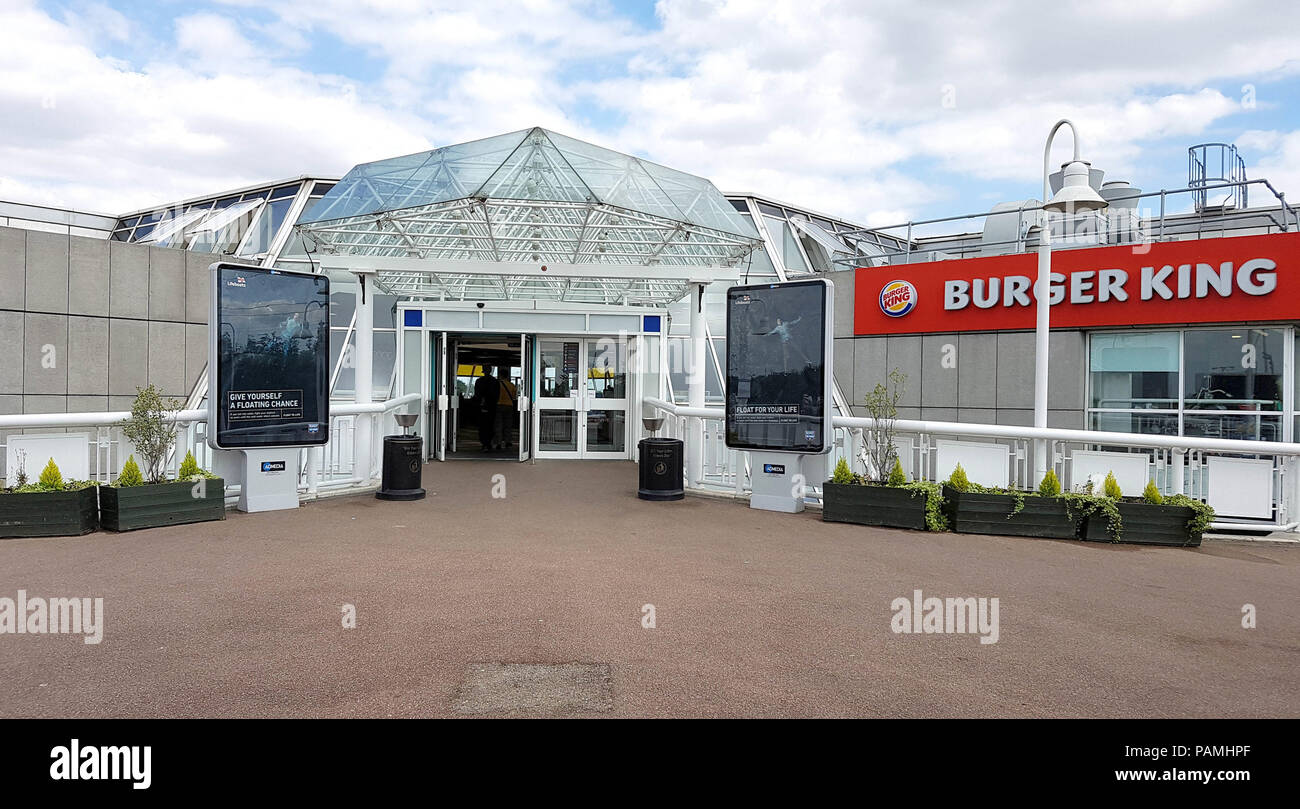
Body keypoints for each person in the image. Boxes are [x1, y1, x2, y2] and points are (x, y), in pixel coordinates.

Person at [472, 366, 500, 452]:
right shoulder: (495, 382)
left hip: (481, 406)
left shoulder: (479, 381)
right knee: (490, 425)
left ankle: (484, 443)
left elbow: (476, 395)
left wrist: (480, 402)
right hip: (492, 407)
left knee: (482, 426)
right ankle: (488, 443)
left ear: (483, 371)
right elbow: (497, 395)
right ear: (491, 371)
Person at [494, 366, 517, 451]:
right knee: (508, 425)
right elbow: (514, 397)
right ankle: (507, 441)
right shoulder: (511, 385)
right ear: (507, 376)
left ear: (500, 375)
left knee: (498, 425)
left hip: (499, 405)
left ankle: (499, 443)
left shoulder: (497, 384)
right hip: (509, 406)